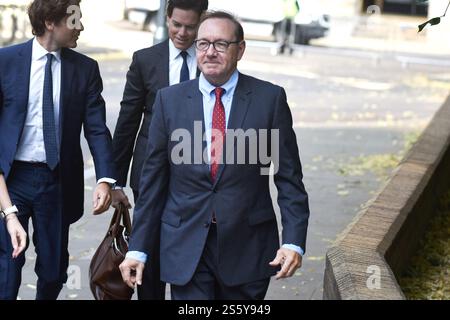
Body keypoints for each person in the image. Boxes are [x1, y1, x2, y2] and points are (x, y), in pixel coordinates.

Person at [119, 11, 310, 300]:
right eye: (203, 43)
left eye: (221, 44)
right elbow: (153, 184)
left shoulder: (269, 100)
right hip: (187, 249)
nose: (210, 52)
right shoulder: (169, 101)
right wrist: (138, 247)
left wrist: (294, 242)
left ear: (240, 49)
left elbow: (288, 178)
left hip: (249, 248)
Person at [0, 0, 115, 300]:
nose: (81, 26)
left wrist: (105, 178)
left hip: (57, 180)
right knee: (7, 269)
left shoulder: (85, 69)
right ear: (50, 22)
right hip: (13, 178)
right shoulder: (6, 61)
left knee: (53, 272)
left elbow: (97, 129)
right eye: (74, 19)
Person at [111, 0, 208, 300]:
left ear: (201, 21)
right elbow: (127, 121)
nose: (182, 32)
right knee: (147, 247)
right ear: (166, 18)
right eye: (176, 24)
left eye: (190, 26)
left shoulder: (211, 57)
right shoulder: (145, 60)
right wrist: (114, 181)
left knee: (188, 248)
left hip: (196, 175)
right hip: (149, 174)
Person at [0, 174, 26, 259]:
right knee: (8, 263)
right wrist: (10, 215)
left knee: (53, 261)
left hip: (54, 175)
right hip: (8, 175)